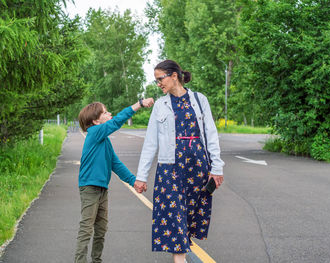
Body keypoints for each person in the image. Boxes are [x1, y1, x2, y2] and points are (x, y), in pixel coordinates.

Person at [136, 60, 224, 263]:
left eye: (160, 79)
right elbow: (150, 143)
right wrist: (141, 176)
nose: (158, 84)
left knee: (191, 214)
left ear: (174, 76)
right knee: (173, 213)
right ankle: (180, 260)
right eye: (156, 80)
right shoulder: (160, 105)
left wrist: (216, 168)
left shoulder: (200, 100)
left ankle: (182, 252)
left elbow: (211, 135)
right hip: (170, 168)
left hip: (198, 167)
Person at [74, 98, 154, 263]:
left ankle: (96, 260)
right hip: (89, 187)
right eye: (105, 112)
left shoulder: (104, 140)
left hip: (102, 189)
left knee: (101, 229)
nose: (109, 113)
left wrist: (135, 181)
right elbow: (116, 122)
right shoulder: (94, 133)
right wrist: (138, 104)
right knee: (86, 228)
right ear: (96, 121)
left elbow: (115, 164)